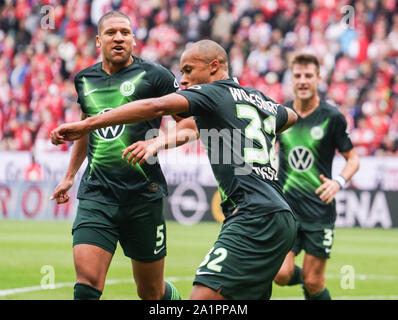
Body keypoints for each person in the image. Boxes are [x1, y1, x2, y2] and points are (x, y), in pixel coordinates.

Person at [50, 39, 298, 300]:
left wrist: (89, 124)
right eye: (181, 72)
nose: (183, 79)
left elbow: (155, 106)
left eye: (189, 70)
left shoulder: (213, 94)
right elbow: (290, 116)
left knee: (200, 299)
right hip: (280, 216)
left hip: (253, 216)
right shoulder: (255, 98)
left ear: (214, 66)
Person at [49, 11, 183, 300]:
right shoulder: (85, 79)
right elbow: (86, 129)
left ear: (134, 39)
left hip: (142, 195)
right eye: (111, 32)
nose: (119, 37)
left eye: (125, 32)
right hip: (97, 194)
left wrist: (157, 142)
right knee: (86, 287)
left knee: (152, 293)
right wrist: (70, 176)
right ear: (98, 40)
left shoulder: (156, 76)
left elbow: (189, 123)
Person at [273, 53, 360, 300]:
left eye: (308, 76)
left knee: (313, 283)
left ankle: (313, 284)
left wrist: (338, 182)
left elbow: (353, 159)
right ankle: (311, 280)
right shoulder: (282, 114)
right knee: (279, 274)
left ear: (318, 78)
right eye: (298, 76)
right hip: (286, 208)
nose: (302, 81)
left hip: (319, 210)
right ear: (292, 79)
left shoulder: (332, 117)